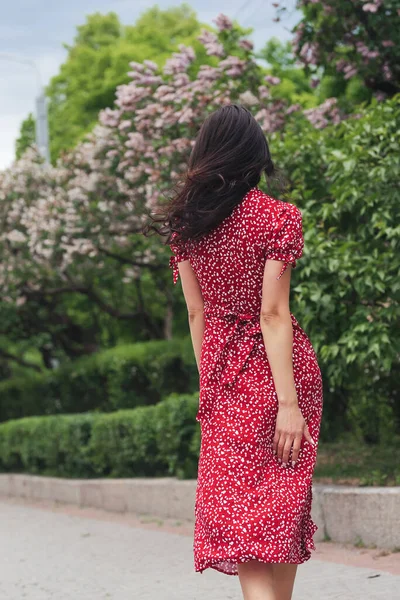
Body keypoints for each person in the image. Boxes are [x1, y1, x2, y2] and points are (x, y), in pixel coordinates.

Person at [144, 104, 323, 600]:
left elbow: (197, 316)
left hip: (228, 382)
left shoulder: (187, 229)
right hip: (284, 376)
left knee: (247, 529)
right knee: (278, 521)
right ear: (254, 155)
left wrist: (212, 393)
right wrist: (288, 403)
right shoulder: (278, 219)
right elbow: (272, 314)